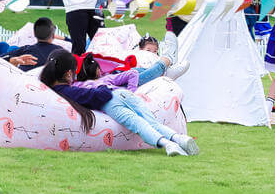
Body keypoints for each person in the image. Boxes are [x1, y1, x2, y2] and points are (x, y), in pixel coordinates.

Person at [39, 49, 198, 156]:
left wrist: (102, 90)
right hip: (120, 92)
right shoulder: (66, 89)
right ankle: (179, 138)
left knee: (137, 124)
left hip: (110, 101)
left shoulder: (61, 91)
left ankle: (167, 144)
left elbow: (93, 96)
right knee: (151, 121)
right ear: (68, 73)